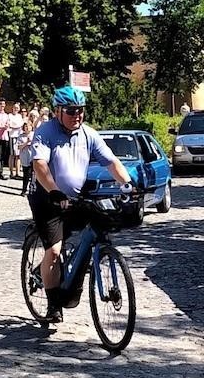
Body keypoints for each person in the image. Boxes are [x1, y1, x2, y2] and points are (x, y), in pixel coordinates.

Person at [28, 85, 133, 323]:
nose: (77, 115)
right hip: (46, 197)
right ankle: (54, 304)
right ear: (58, 111)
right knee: (54, 251)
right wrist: (54, 190)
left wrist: (128, 184)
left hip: (71, 198)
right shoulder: (46, 132)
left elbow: (111, 162)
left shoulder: (88, 134)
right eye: (71, 110)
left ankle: (68, 267)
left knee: (96, 221)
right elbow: (40, 165)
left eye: (81, 110)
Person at [17, 122, 34, 196]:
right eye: (25, 126)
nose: (27, 128)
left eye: (28, 126)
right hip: (25, 158)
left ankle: (32, 190)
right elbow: (19, 147)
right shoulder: (21, 136)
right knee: (26, 175)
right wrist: (27, 142)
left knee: (34, 175)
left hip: (33, 158)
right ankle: (24, 190)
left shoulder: (34, 135)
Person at [8, 102, 24, 179]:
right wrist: (15, 126)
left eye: (17, 108)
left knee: (18, 155)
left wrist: (16, 126)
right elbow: (10, 125)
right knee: (12, 155)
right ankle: (11, 172)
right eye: (15, 107)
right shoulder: (9, 116)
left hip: (19, 136)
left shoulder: (19, 116)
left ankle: (17, 172)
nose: (16, 109)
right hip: (12, 136)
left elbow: (21, 125)